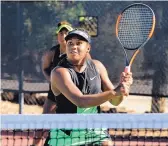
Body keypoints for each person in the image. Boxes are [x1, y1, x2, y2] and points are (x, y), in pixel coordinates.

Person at [44, 28, 133, 146]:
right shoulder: (59, 72)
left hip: (94, 132)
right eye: (70, 43)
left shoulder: (98, 67)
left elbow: (115, 101)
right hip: (65, 136)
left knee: (107, 144)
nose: (73, 46)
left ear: (88, 48)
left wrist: (122, 89)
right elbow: (80, 101)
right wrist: (114, 92)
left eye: (79, 43)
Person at [42, 21, 73, 114]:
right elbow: (45, 68)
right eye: (61, 33)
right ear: (57, 36)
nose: (63, 36)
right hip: (55, 91)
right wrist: (51, 80)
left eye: (66, 33)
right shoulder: (51, 52)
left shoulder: (77, 52)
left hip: (72, 92)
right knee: (45, 119)